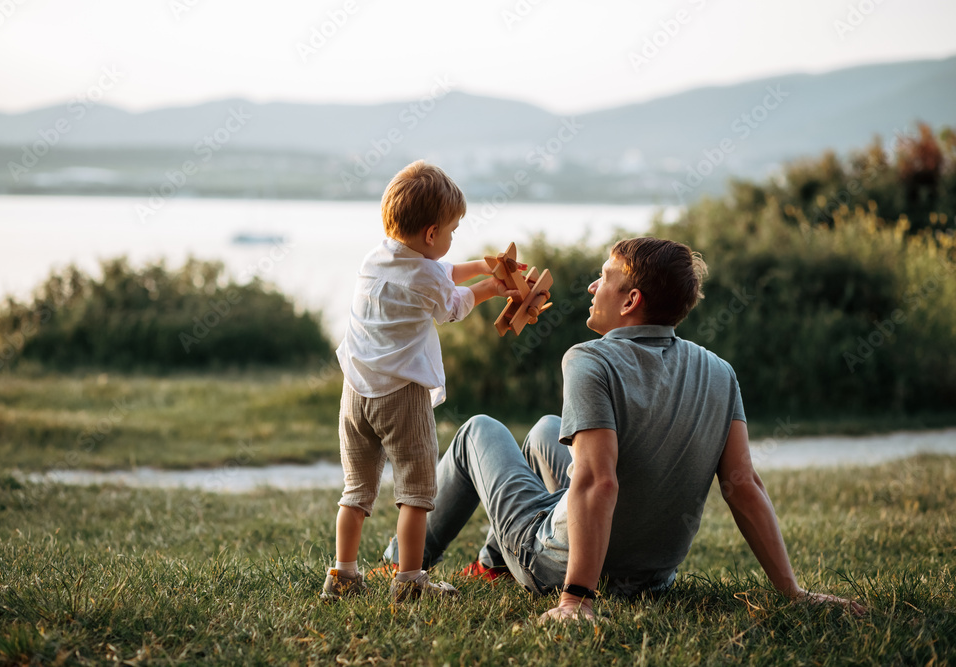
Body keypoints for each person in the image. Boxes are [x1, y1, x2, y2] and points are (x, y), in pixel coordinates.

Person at [383, 236, 865, 620]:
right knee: (547, 430)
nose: (593, 288)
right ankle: (492, 565)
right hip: (652, 578)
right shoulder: (719, 370)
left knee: (478, 431)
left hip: (558, 565)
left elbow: (598, 480)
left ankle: (398, 564)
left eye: (604, 278)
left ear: (631, 299)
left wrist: (575, 599)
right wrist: (794, 593)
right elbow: (742, 484)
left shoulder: (589, 359)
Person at [323, 160, 520, 603]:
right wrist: (493, 287)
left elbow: (439, 272)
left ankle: (343, 575)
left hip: (355, 393)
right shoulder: (428, 273)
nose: (452, 240)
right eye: (450, 231)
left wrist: (484, 267)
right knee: (415, 493)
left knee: (355, 492)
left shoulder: (376, 258)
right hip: (400, 395)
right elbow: (450, 305)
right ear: (431, 234)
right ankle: (410, 580)